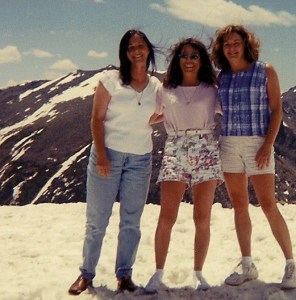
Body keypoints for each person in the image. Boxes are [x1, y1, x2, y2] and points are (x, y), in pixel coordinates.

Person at [68, 29, 160, 295]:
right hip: (108, 154)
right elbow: (96, 119)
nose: (136, 51)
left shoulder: (156, 86)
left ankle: (124, 275)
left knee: (131, 220)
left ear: (148, 50)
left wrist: (155, 120)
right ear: (124, 53)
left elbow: (168, 109)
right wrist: (103, 155)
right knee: (97, 219)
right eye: (130, 48)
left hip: (141, 159)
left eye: (140, 46)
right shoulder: (110, 81)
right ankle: (86, 274)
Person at [211, 25, 296, 289]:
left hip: (257, 143)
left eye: (236, 43)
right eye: (226, 44)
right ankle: (247, 264)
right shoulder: (222, 77)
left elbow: (277, 111)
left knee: (268, 204)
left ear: (246, 44)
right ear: (221, 49)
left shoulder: (265, 71)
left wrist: (267, 145)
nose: (232, 48)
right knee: (239, 205)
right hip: (229, 144)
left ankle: (291, 264)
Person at [143, 37, 223, 293]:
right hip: (175, 147)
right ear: (177, 60)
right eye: (184, 55)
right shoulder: (165, 90)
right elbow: (149, 116)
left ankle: (199, 272)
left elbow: (232, 110)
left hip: (206, 148)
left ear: (202, 61)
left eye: (194, 56)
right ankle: (158, 273)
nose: (188, 60)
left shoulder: (212, 90)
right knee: (167, 216)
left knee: (202, 217)